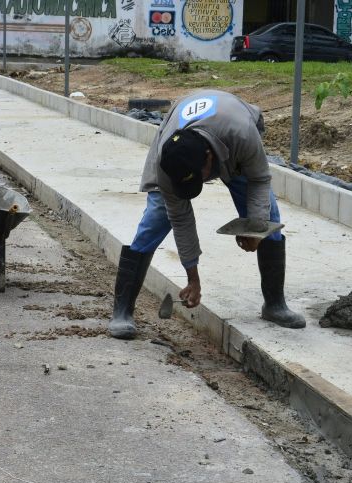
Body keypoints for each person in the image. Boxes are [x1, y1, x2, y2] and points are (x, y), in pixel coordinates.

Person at [108, 89, 306, 339]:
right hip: (186, 140)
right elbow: (181, 219)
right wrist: (193, 278)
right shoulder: (166, 162)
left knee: (269, 218)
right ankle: (122, 310)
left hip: (230, 140)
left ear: (209, 159)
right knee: (156, 218)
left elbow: (259, 179)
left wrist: (256, 229)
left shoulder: (242, 134)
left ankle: (275, 305)